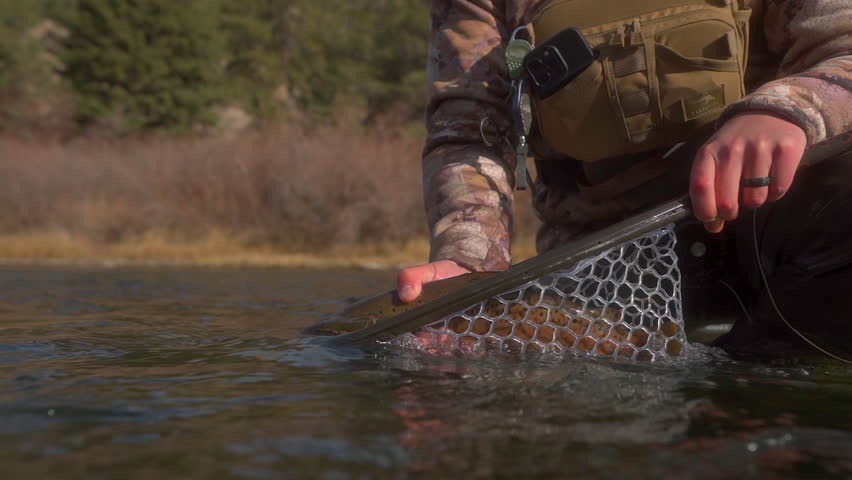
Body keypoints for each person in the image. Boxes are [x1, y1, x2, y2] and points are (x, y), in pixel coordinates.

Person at [397, 0, 852, 357]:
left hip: (778, 237)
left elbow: (844, 45)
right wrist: (467, 262)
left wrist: (786, 108)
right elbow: (469, 132)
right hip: (604, 273)